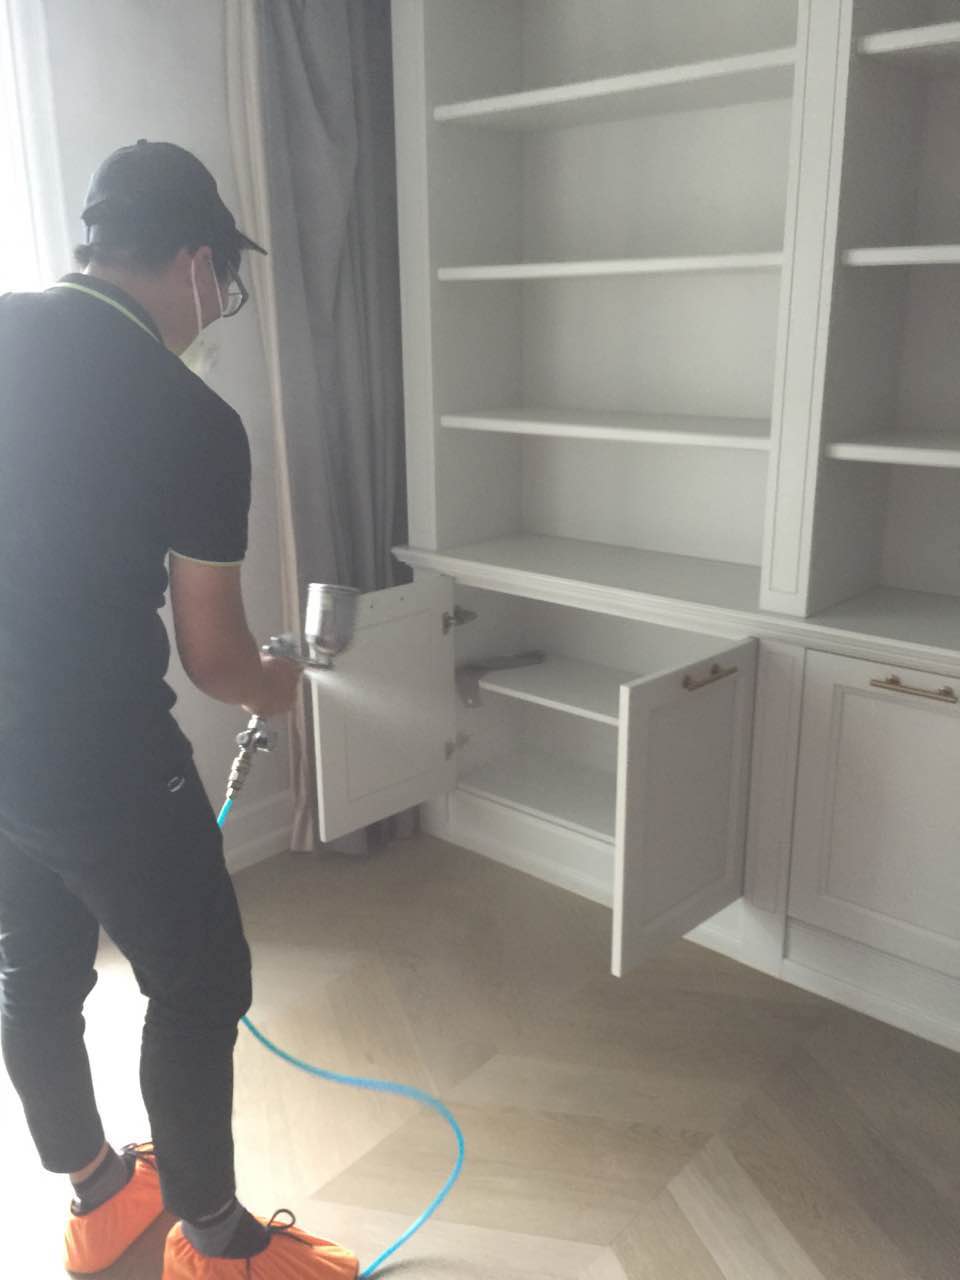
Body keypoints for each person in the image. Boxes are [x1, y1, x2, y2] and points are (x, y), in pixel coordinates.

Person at [0, 141, 357, 1278]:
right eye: (224, 287)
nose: (217, 310)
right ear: (198, 265)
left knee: (34, 970)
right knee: (200, 981)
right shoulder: (192, 417)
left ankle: (100, 1196)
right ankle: (218, 1244)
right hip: (98, 754)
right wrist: (278, 686)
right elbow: (215, 657)